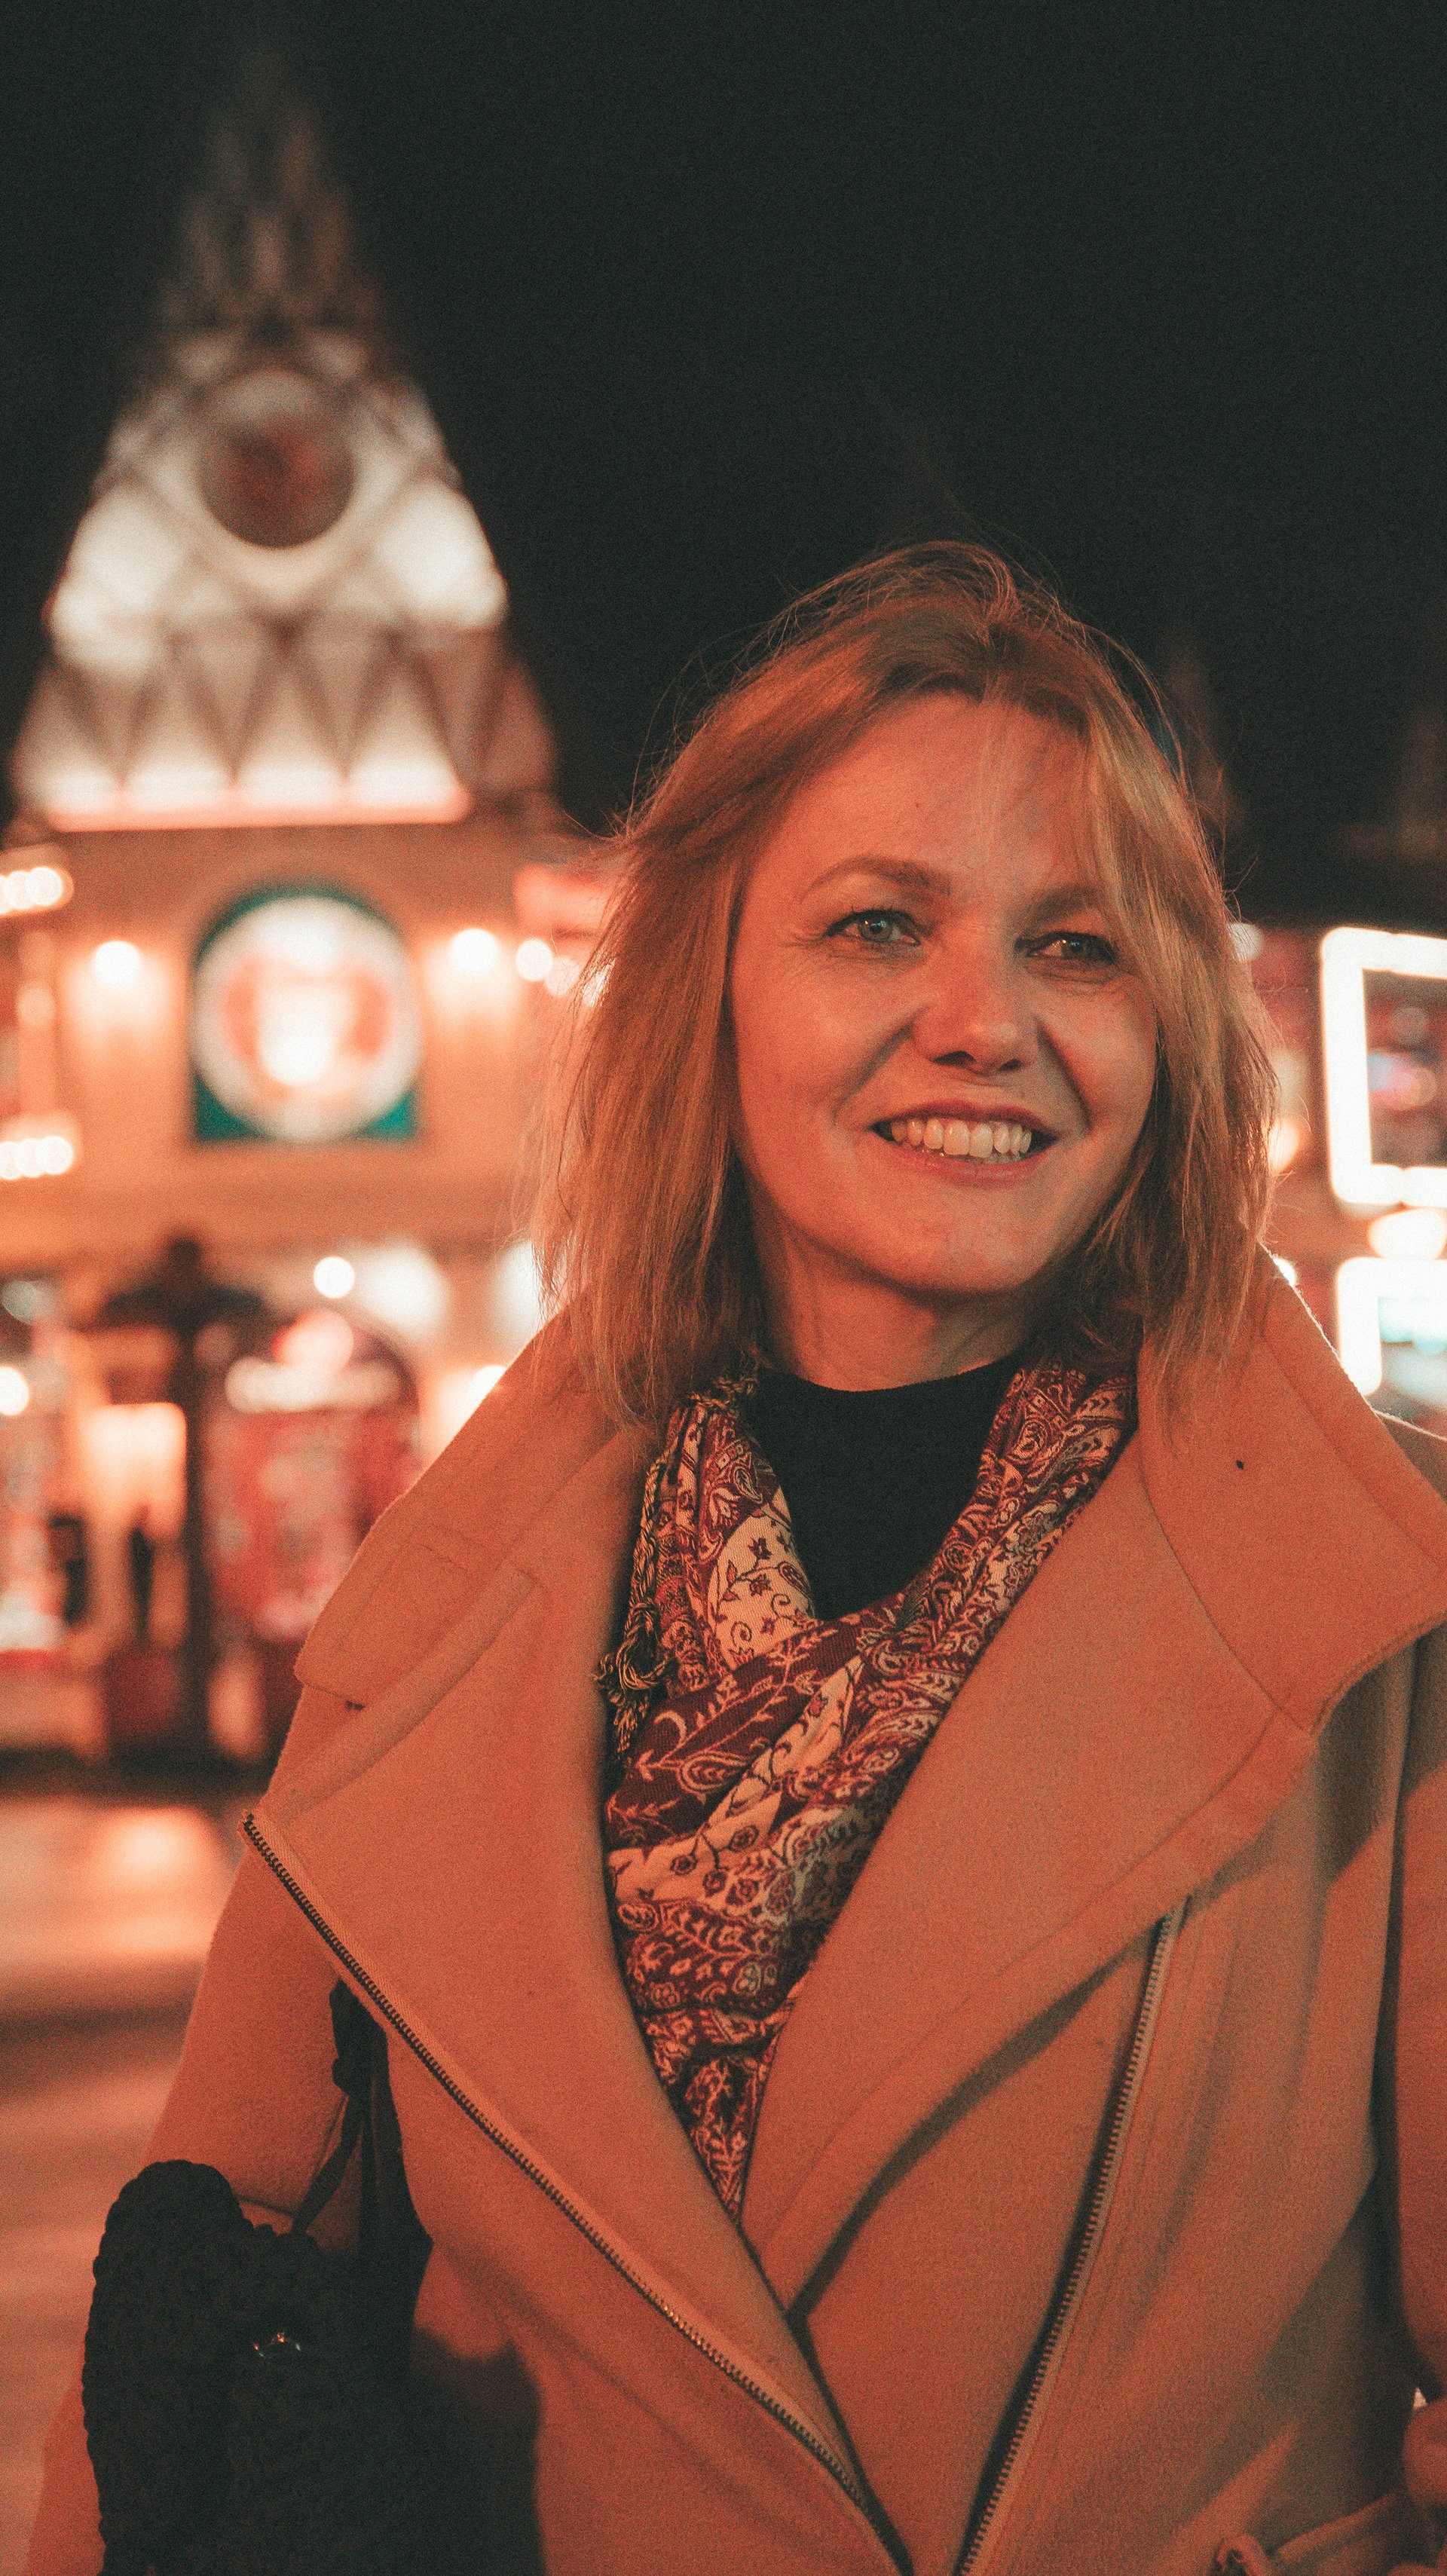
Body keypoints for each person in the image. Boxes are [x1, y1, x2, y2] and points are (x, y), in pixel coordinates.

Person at [28, 545, 1447, 2576]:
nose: (984, 1022)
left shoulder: (1379, 1605)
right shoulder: (450, 1612)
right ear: (709, 991)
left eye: (1079, 946)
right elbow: (191, 2337)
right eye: (878, 926)